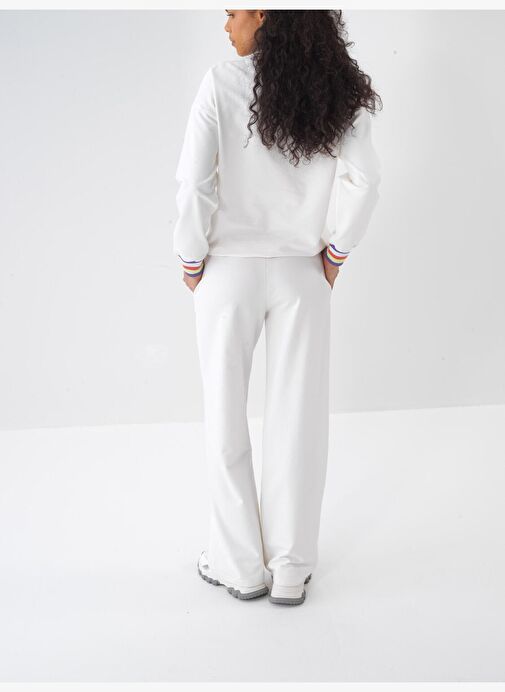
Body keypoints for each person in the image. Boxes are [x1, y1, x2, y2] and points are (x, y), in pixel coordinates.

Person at [172, 9, 382, 606]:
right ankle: (290, 568)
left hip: (227, 272)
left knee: (224, 414)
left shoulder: (221, 81)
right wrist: (336, 251)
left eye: (233, 11)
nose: (226, 25)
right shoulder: (336, 88)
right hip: (301, 273)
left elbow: (194, 183)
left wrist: (190, 256)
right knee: (300, 417)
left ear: (263, 12)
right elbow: (365, 180)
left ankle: (239, 565)